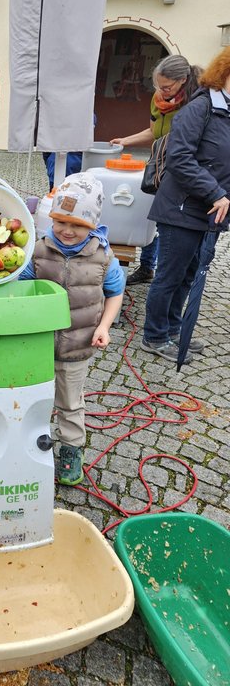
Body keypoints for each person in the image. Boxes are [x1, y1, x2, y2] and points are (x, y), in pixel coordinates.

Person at [20, 173, 125, 485]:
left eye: (77, 225)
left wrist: (104, 326)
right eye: (60, 222)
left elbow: (115, 292)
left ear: (92, 224)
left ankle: (71, 449)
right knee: (33, 399)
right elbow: (19, 288)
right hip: (37, 346)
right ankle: (32, 444)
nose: (67, 230)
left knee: (70, 402)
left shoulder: (103, 257)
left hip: (78, 347)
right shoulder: (38, 250)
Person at [141, 47, 230, 363]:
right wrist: (215, 192)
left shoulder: (225, 111)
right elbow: (179, 158)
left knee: (188, 274)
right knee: (170, 275)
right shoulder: (200, 107)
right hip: (180, 208)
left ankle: (174, 329)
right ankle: (154, 335)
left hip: (207, 212)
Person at [111, 55, 201, 285]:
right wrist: (125, 140)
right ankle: (147, 267)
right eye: (158, 86)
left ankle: (167, 274)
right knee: (150, 213)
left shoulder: (197, 102)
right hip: (159, 166)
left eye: (166, 87)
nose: (161, 92)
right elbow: (153, 132)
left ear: (182, 80)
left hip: (182, 169)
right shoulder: (158, 99)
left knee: (168, 222)